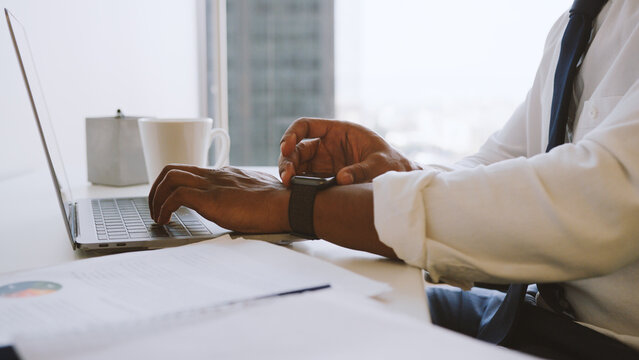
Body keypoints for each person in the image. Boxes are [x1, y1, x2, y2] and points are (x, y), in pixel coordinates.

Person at [148, 0, 639, 357]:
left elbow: (600, 200)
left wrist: (300, 207)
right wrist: (400, 171)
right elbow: (501, 165)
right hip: (537, 313)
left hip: (601, 342)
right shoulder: (579, 26)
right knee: (320, 312)